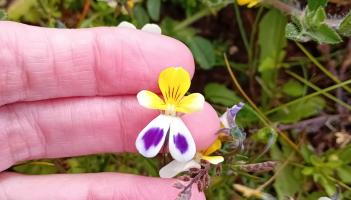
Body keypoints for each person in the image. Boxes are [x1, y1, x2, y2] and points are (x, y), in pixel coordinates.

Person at [0, 21, 220, 199]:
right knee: (157, 146)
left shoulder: (177, 103)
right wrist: (167, 107)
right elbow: (148, 98)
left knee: (176, 147)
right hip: (165, 115)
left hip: (167, 116)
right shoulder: (167, 101)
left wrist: (167, 107)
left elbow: (190, 101)